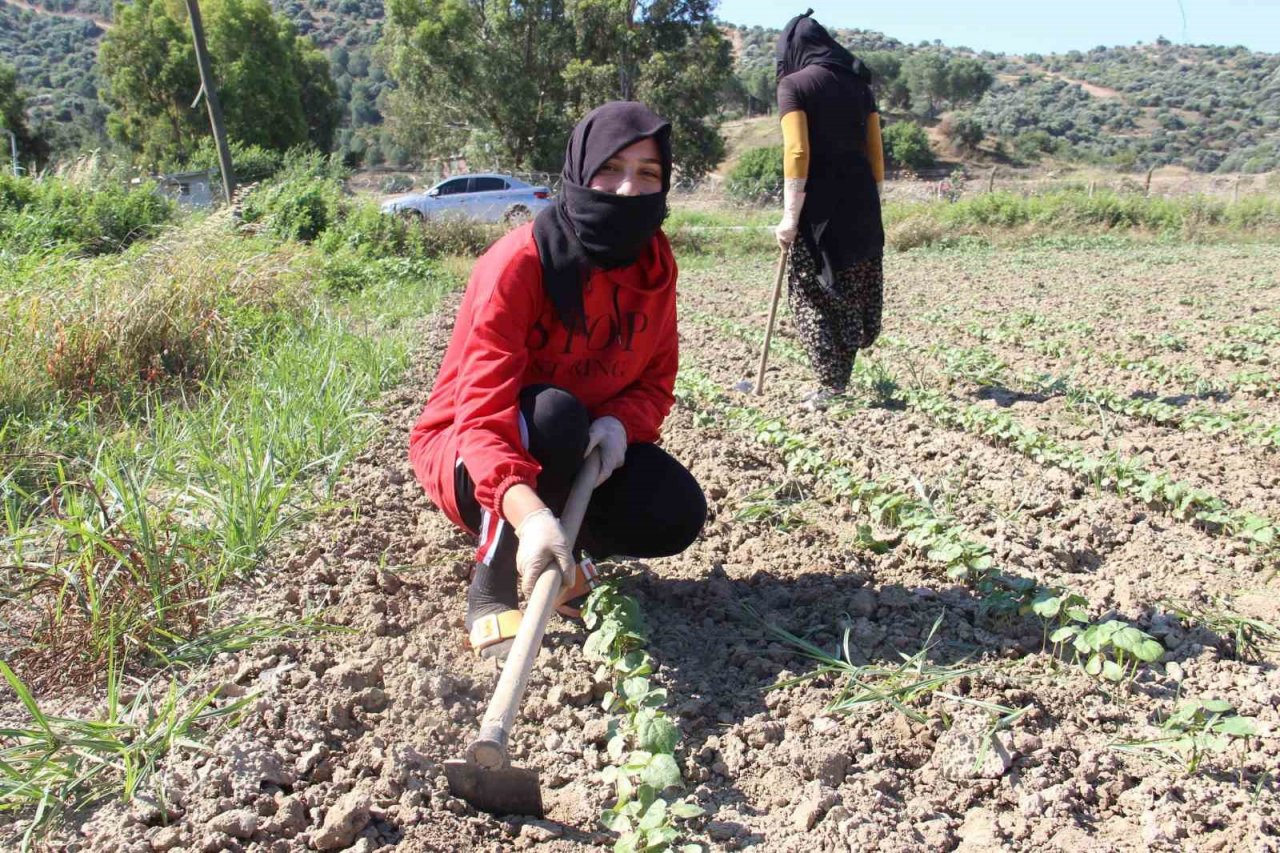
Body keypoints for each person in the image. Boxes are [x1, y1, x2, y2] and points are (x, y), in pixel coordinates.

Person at [409, 102, 707, 659]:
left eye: (648, 174)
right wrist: (529, 513)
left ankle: (564, 556)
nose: (626, 190)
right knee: (554, 414)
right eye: (611, 168)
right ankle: (494, 584)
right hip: (470, 453)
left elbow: (655, 380)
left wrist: (622, 423)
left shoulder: (654, 265)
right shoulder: (518, 263)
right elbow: (481, 415)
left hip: (574, 454)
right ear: (579, 169)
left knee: (673, 509)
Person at [773, 9, 886, 410]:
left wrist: (790, 215)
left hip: (818, 209)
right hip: (861, 202)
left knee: (811, 294)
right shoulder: (860, 87)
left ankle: (829, 386)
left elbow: (798, 150)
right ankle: (839, 379)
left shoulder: (794, 85)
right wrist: (870, 201)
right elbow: (876, 154)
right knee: (851, 289)